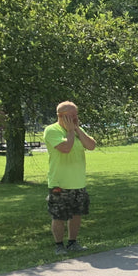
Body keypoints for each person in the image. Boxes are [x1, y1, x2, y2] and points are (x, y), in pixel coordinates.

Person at [43, 101, 97, 254]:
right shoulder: (51, 130)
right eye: (71, 115)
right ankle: (59, 246)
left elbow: (91, 146)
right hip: (59, 182)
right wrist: (70, 132)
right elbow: (65, 148)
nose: (75, 117)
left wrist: (77, 129)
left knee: (76, 214)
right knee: (59, 215)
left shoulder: (77, 130)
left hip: (78, 181)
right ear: (61, 116)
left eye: (76, 114)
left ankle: (73, 242)